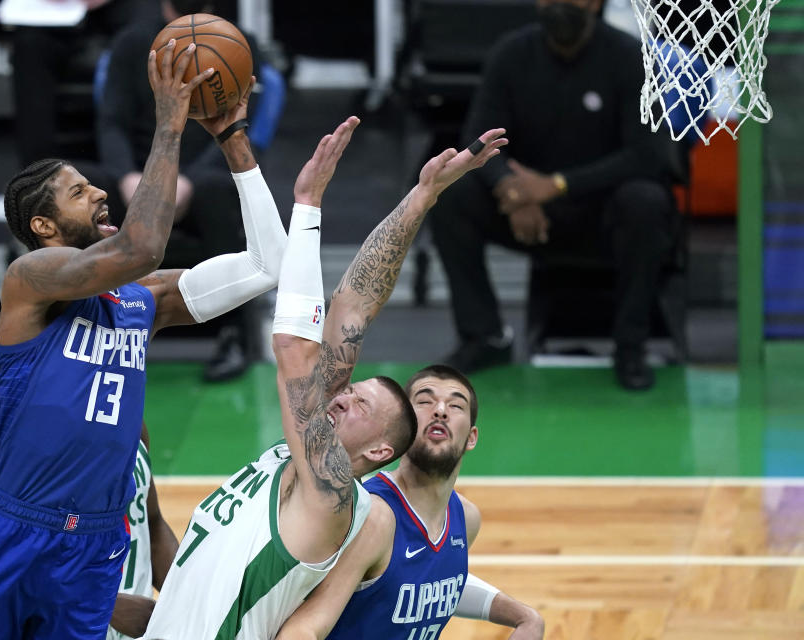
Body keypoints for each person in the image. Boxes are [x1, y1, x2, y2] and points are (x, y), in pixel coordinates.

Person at [0, 42, 287, 640]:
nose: (100, 194)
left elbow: (269, 265)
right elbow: (139, 248)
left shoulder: (142, 301)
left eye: (93, 186)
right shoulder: (30, 281)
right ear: (43, 227)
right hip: (13, 530)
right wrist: (170, 124)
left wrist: (233, 141)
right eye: (79, 192)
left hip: (92, 547)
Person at [105, 123, 508, 640]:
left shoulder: (330, 494)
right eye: (347, 392)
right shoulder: (292, 463)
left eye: (359, 404)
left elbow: (295, 347)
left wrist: (308, 203)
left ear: (382, 451)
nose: (341, 398)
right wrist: (422, 197)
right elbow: (353, 307)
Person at [429, 0, 678, 391]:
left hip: (604, 212)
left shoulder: (629, 56)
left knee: (646, 202)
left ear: (596, 3)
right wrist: (511, 189)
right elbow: (477, 140)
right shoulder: (510, 53)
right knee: (450, 195)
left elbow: (648, 155)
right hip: (527, 212)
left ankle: (630, 346)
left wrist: (557, 185)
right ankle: (484, 337)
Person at [276, 364, 545, 640]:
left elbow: (429, 582)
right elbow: (301, 629)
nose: (440, 410)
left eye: (456, 406)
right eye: (425, 401)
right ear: (403, 427)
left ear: (472, 438)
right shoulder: (371, 517)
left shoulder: (465, 518)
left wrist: (524, 617)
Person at [93, 0, 268, 381]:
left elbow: (246, 124)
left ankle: (231, 333)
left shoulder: (238, 42)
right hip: (139, 174)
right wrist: (127, 176)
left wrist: (184, 181)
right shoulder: (132, 43)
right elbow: (111, 123)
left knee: (216, 190)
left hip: (204, 172)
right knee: (78, 188)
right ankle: (90, 329)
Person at [0, 422, 177, 640]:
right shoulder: (0, 454)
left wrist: (187, 597)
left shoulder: (131, 423)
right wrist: (105, 605)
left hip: (141, 631)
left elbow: (153, 527)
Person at [11, 0, 158, 167]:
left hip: (126, 11)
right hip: (56, 15)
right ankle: (38, 175)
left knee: (148, 29)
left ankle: (145, 166)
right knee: (29, 42)